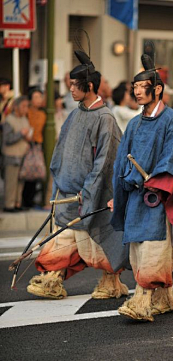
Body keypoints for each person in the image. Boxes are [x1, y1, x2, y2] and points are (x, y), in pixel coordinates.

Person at [108, 45, 173, 322]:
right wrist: (116, 193)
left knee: (155, 249)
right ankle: (165, 298)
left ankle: (141, 301)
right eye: (135, 86)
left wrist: (159, 182)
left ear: (157, 90)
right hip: (135, 198)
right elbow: (121, 164)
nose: (137, 91)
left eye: (143, 87)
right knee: (137, 249)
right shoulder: (133, 124)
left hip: (158, 199)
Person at [27, 43, 129, 300]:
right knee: (62, 236)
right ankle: (52, 279)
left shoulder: (105, 118)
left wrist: (89, 192)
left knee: (100, 238)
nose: (70, 89)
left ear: (90, 86)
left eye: (74, 85)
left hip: (90, 194)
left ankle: (110, 281)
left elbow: (105, 162)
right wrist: (58, 183)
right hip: (67, 193)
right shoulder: (74, 115)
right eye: (70, 84)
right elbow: (60, 153)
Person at [2, 96, 32, 212]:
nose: (25, 109)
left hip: (22, 154)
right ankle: (9, 204)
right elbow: (7, 139)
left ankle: (17, 203)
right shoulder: (9, 120)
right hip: (11, 155)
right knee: (11, 181)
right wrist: (21, 133)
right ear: (16, 107)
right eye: (23, 106)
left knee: (20, 182)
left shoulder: (24, 119)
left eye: (26, 106)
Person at [22, 89, 46, 208]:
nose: (38, 100)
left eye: (40, 97)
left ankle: (30, 200)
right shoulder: (26, 112)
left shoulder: (43, 114)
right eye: (36, 97)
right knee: (25, 172)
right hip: (27, 144)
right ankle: (24, 200)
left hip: (37, 144)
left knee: (35, 172)